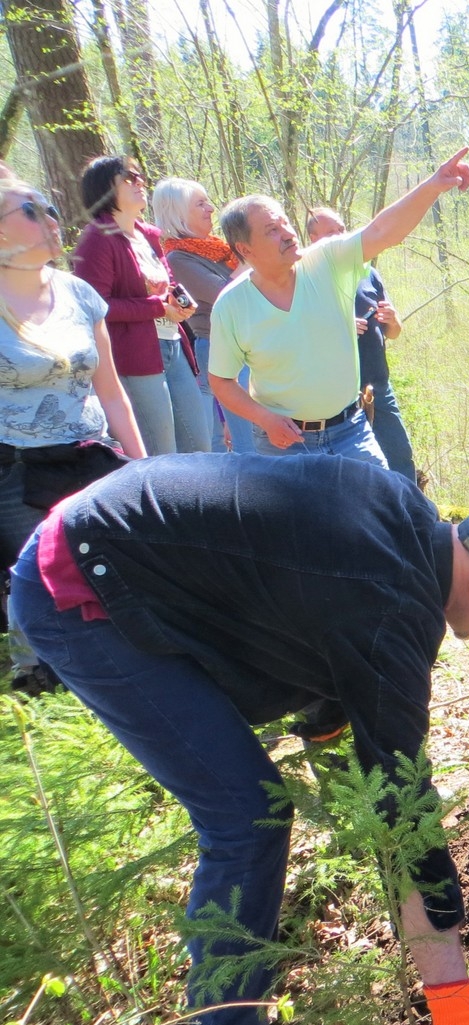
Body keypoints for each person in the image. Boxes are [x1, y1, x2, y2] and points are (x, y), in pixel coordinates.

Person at [10, 453, 469, 1025]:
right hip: (84, 584)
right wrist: (456, 1015)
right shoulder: (393, 606)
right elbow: (407, 814)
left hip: (116, 544)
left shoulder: (399, 524)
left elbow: (321, 638)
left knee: (272, 780)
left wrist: (348, 811)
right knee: (249, 818)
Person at [209, 149, 469, 465]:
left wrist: (433, 185)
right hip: (283, 444)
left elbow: (381, 231)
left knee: (379, 511)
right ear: (245, 248)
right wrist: (265, 419)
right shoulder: (232, 305)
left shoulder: (328, 261)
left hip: (352, 432)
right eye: (272, 230)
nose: (289, 234)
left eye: (285, 223)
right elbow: (221, 381)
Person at [0, 177, 145, 693]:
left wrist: (142, 469)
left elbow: (112, 392)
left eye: (52, 208)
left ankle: (118, 685)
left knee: (108, 575)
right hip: (17, 475)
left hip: (90, 458)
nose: (52, 219)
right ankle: (43, 696)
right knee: (37, 592)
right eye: (32, 211)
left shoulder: (80, 293)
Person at [72, 155, 210, 456]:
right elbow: (96, 307)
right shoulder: (96, 239)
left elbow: (166, 285)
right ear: (105, 189)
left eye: (140, 176)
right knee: (162, 453)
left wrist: (179, 301)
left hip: (173, 345)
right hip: (135, 357)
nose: (140, 182)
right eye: (129, 177)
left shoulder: (148, 236)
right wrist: (158, 307)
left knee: (199, 444)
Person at [306, 206, 419, 481]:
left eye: (342, 230)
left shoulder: (368, 272)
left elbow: (394, 333)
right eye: (332, 234)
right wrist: (340, 329)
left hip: (379, 383)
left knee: (400, 455)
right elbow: (303, 337)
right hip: (341, 393)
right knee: (359, 469)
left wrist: (392, 320)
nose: (342, 237)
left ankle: (412, 518)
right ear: (313, 240)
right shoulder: (308, 279)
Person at [152, 176, 255, 454]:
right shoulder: (178, 258)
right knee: (246, 440)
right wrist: (251, 256)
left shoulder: (219, 250)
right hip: (221, 346)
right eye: (200, 204)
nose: (210, 208)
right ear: (177, 213)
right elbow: (226, 294)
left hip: (250, 343)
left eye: (208, 201)